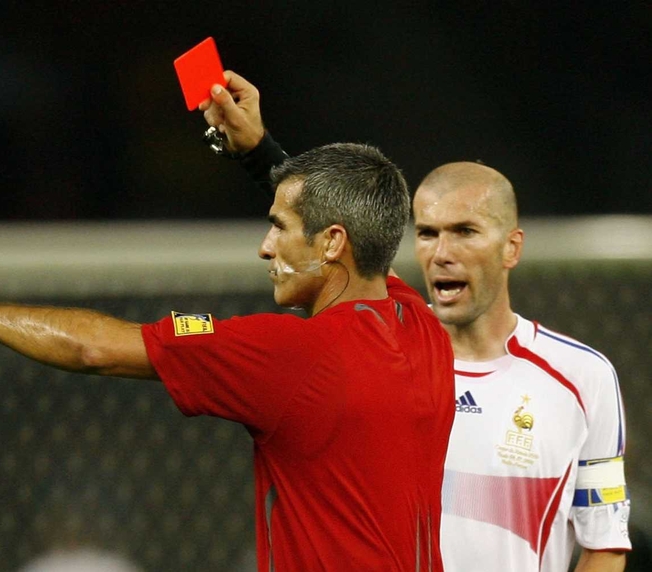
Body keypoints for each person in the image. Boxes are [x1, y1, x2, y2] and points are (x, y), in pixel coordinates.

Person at [0, 143, 455, 572]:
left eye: (278, 227)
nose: (265, 247)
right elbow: (362, 243)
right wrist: (259, 153)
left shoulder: (288, 352)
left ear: (331, 242)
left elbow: (92, 348)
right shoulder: (422, 328)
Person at [198, 71, 632, 571]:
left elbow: (604, 542)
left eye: (464, 231)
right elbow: (328, 226)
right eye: (426, 234)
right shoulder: (385, 347)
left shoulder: (582, 377)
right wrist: (256, 148)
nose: (442, 253)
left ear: (512, 247)